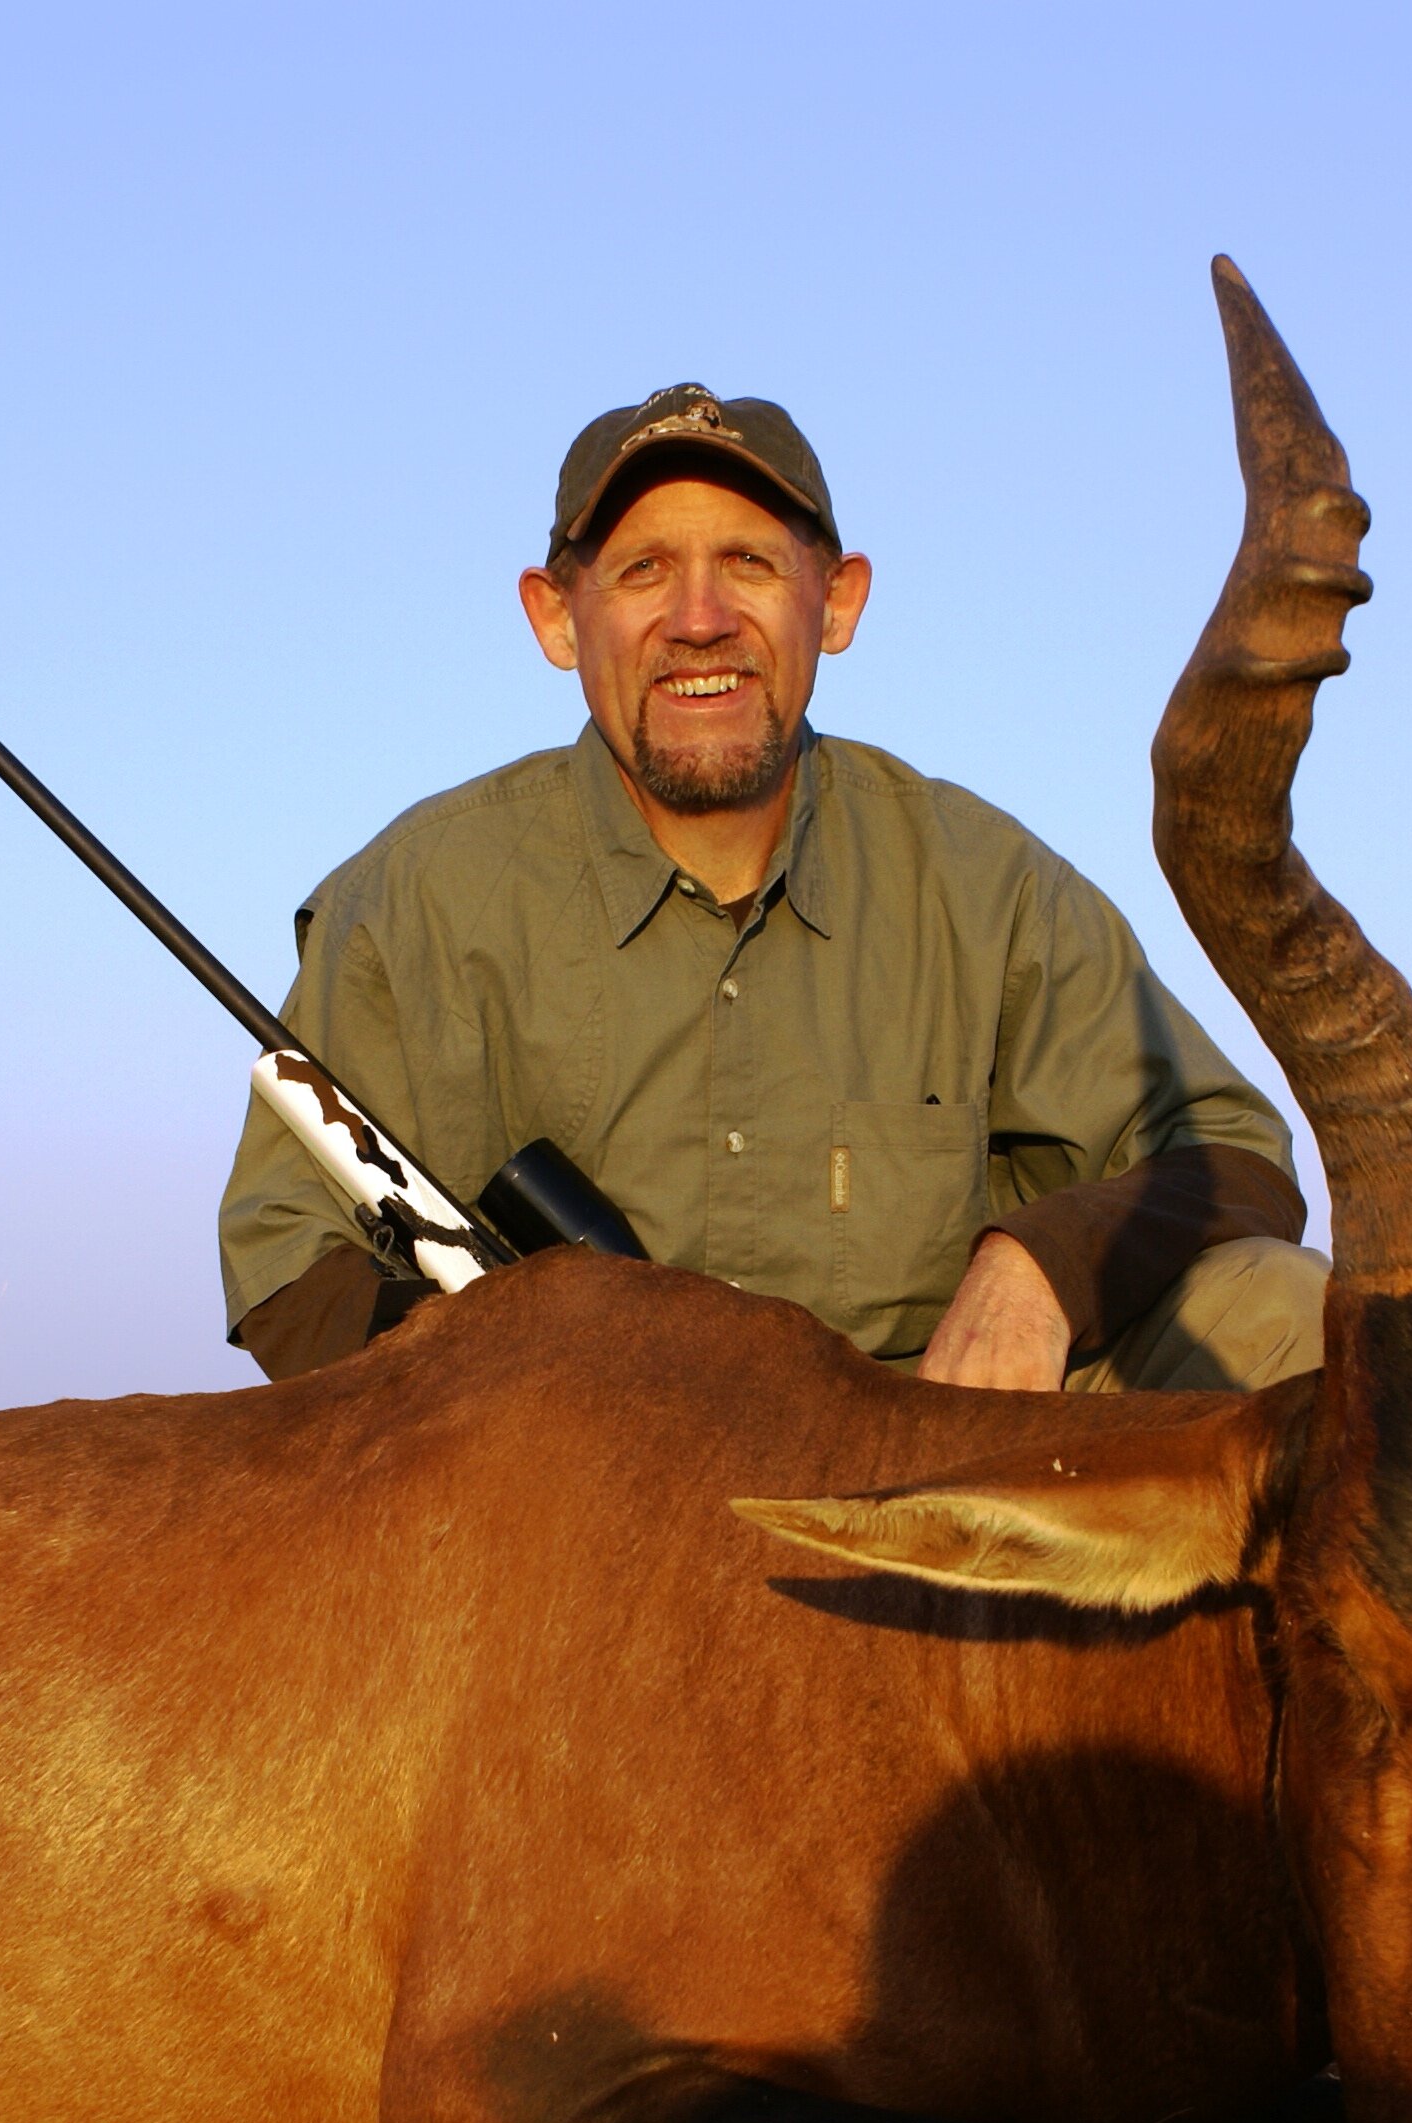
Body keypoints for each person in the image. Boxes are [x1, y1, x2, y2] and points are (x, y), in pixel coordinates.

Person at [218, 382, 1325, 1393]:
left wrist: (1036, 1270)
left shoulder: (984, 884)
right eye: (643, 569)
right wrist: (505, 1368)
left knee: (1285, 1311)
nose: (698, 619)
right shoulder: (414, 895)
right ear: (555, 618)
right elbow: (284, 1256)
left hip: (920, 1469)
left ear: (835, 604)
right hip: (553, 1490)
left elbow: (1232, 1152)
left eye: (747, 563)